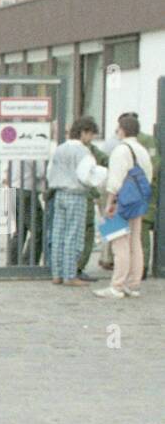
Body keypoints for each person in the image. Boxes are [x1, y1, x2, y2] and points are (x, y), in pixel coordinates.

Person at [95, 112, 155, 300]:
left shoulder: (121, 150)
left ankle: (117, 285)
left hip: (122, 200)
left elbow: (115, 179)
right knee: (135, 242)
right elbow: (149, 175)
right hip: (138, 200)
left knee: (119, 243)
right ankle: (133, 284)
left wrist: (110, 202)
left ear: (122, 130)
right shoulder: (142, 150)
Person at [45, 117, 104, 287]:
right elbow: (87, 176)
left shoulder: (59, 149)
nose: (91, 138)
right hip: (76, 195)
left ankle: (57, 273)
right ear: (84, 133)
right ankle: (70, 274)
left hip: (59, 194)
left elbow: (50, 173)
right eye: (91, 134)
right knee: (73, 235)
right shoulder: (83, 152)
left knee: (58, 234)